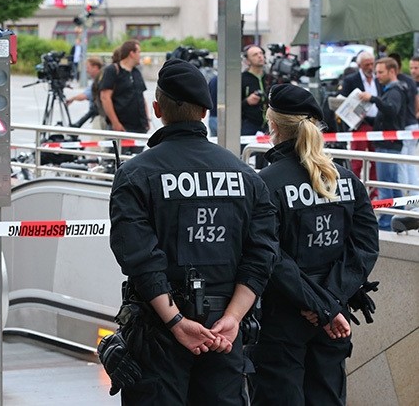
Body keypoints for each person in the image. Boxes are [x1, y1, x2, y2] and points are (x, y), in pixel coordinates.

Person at [107, 58, 278, 404]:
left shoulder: (137, 174)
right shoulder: (245, 176)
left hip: (158, 331)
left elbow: (140, 258)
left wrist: (176, 321)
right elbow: (262, 254)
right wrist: (232, 319)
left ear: (157, 109)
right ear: (204, 112)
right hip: (224, 333)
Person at [249, 84, 379, 406]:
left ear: (274, 126)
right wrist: (330, 303)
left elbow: (270, 256)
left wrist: (317, 305)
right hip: (335, 317)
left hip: (283, 319)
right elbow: (364, 248)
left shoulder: (265, 183)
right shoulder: (346, 180)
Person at [359, 57, 407, 230]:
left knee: (386, 186)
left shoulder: (394, 91)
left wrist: (373, 98)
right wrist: (369, 119)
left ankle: (387, 223)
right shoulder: (393, 90)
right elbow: (387, 116)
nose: (377, 75)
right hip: (389, 143)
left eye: (380, 72)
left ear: (392, 71)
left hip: (388, 145)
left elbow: (391, 110)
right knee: (392, 185)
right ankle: (399, 218)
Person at [340, 51, 380, 189]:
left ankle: (374, 191)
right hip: (360, 124)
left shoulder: (378, 78)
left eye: (371, 64)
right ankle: (355, 189)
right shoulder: (351, 80)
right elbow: (342, 100)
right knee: (357, 160)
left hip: (377, 124)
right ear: (359, 65)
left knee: (376, 160)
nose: (370, 67)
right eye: (366, 64)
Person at [389, 53, 419, 195]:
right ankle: (414, 196)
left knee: (401, 164)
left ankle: (405, 196)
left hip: (404, 127)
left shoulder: (398, 83)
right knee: (411, 163)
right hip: (413, 124)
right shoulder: (410, 81)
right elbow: (416, 101)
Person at [241, 44, 272, 168]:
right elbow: (233, 105)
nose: (260, 56)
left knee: (265, 156)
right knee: (243, 152)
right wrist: (247, 101)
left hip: (269, 124)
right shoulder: (242, 79)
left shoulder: (270, 78)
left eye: (261, 53)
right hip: (249, 123)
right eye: (255, 54)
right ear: (248, 60)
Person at [66, 56, 104, 129]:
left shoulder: (100, 81)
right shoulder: (98, 79)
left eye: (88, 68)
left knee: (100, 139)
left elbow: (85, 95)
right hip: (99, 114)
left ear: (95, 67)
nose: (87, 70)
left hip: (100, 116)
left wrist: (72, 99)